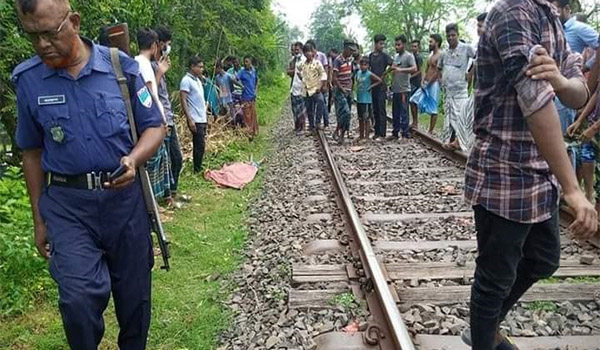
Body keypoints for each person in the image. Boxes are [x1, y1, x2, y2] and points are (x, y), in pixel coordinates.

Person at [13, 0, 165, 348]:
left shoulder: (120, 68)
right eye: (32, 37)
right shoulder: (29, 80)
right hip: (68, 207)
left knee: (135, 299)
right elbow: (32, 153)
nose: (42, 45)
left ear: (75, 22)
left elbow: (155, 126)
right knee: (77, 300)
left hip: (124, 204)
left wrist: (133, 159)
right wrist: (39, 220)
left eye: (50, 34)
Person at [463, 0, 597, 348]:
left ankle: (484, 328)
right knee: (496, 277)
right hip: (505, 174)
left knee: (543, 258)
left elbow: (579, 93)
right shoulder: (514, 13)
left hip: (540, 172)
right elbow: (535, 100)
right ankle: (484, 334)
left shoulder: (551, 17)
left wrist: (560, 80)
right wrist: (573, 188)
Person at [135, 29, 173, 202]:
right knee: (154, 165)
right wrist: (162, 118)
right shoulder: (145, 65)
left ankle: (155, 203)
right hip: (152, 121)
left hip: (143, 121)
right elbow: (150, 94)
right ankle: (151, 204)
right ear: (153, 45)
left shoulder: (134, 62)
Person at [154, 25, 183, 205]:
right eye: (168, 44)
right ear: (160, 43)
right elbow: (150, 92)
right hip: (161, 121)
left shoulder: (160, 65)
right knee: (166, 160)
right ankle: (166, 196)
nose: (168, 48)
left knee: (174, 159)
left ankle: (171, 194)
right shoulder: (150, 66)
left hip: (168, 119)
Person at [439, 23, 476, 151]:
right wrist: (440, 81)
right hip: (448, 91)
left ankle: (461, 141)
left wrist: (470, 73)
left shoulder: (466, 48)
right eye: (448, 36)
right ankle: (451, 140)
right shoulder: (445, 53)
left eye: (453, 35)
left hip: (460, 90)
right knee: (449, 118)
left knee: (461, 115)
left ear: (458, 35)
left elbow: (477, 59)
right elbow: (439, 68)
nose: (451, 38)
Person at [567, 84, 600, 204]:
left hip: (595, 127)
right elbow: (597, 93)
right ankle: (588, 197)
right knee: (586, 156)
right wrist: (580, 120)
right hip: (593, 121)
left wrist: (594, 128)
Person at [410, 34, 443, 134]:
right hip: (425, 83)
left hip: (434, 84)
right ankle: (415, 122)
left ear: (437, 43)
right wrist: (422, 81)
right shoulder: (430, 56)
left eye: (431, 42)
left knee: (433, 107)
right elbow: (426, 69)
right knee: (413, 100)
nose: (429, 44)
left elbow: (438, 72)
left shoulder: (440, 55)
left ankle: (431, 130)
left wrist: (429, 83)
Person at [180, 56, 208, 173]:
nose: (202, 69)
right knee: (199, 144)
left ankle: (198, 165)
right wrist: (189, 119)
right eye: (200, 67)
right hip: (195, 118)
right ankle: (197, 169)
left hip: (202, 117)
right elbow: (183, 100)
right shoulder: (186, 80)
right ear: (192, 67)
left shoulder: (197, 80)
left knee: (201, 144)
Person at [387, 35, 417, 140]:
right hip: (395, 89)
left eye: (399, 44)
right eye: (395, 45)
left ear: (404, 45)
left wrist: (401, 70)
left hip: (404, 89)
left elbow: (414, 68)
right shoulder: (396, 57)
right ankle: (395, 132)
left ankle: (405, 133)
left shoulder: (409, 56)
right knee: (396, 111)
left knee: (404, 111)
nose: (396, 47)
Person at [297, 43, 327, 134]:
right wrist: (302, 78)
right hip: (306, 90)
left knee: (321, 101)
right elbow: (298, 71)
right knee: (309, 109)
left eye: (309, 51)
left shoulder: (317, 63)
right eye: (306, 52)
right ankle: (312, 126)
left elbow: (323, 74)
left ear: (312, 52)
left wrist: (321, 86)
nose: (308, 54)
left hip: (316, 89)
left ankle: (318, 122)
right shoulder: (302, 64)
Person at [333, 40, 358, 145]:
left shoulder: (350, 60)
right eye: (350, 50)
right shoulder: (338, 60)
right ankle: (340, 132)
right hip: (340, 91)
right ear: (345, 48)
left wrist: (350, 88)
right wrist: (342, 89)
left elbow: (350, 75)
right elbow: (334, 77)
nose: (352, 52)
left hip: (348, 90)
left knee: (345, 114)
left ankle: (339, 133)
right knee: (345, 113)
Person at [369, 34, 394, 141]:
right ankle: (376, 132)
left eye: (383, 44)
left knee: (381, 109)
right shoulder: (370, 56)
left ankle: (382, 134)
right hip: (373, 86)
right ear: (375, 44)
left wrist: (386, 73)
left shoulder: (384, 56)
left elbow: (393, 64)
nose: (382, 46)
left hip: (381, 86)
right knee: (375, 109)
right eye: (380, 43)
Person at [356, 56, 382, 142]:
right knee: (360, 118)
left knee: (366, 118)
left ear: (368, 66)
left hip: (366, 99)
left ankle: (366, 136)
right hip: (359, 98)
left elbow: (379, 80)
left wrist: (371, 86)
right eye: (362, 64)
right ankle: (361, 135)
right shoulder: (358, 73)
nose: (363, 66)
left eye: (365, 65)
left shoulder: (369, 74)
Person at [307, 39, 330, 128]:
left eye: (310, 49)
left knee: (322, 102)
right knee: (310, 106)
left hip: (320, 85)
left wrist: (325, 84)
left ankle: (323, 122)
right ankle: (312, 125)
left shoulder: (321, 56)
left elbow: (325, 70)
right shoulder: (307, 59)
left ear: (313, 48)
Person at [237, 56, 259, 140]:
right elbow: (234, 79)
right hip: (245, 97)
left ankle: (253, 132)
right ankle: (248, 133)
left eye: (247, 62)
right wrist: (241, 86)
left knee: (253, 115)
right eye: (244, 62)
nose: (245, 63)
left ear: (250, 62)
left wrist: (255, 90)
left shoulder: (253, 70)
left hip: (252, 97)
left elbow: (257, 80)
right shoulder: (242, 72)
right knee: (247, 116)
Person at [287, 42, 307, 135]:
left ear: (301, 50)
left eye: (297, 50)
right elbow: (290, 72)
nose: (295, 51)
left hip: (301, 88)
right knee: (295, 109)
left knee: (302, 110)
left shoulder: (304, 60)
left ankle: (303, 127)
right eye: (294, 50)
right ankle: (298, 126)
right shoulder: (295, 60)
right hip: (294, 87)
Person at [410, 39, 424, 128]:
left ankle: (415, 121)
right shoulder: (411, 56)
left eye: (415, 46)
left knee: (413, 102)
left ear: (418, 47)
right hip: (411, 82)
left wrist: (410, 77)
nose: (413, 48)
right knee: (411, 102)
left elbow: (419, 71)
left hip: (416, 82)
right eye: (412, 46)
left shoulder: (418, 57)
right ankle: (414, 121)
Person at [327, 48, 339, 114]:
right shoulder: (330, 59)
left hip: (335, 79)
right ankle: (329, 109)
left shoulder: (337, 60)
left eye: (331, 53)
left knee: (333, 94)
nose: (330, 54)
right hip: (332, 79)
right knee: (330, 94)